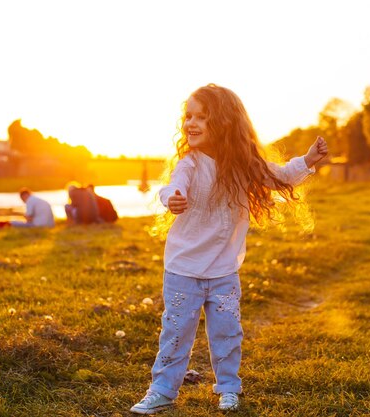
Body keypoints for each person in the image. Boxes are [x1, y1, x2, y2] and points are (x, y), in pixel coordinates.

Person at [130, 84, 328, 414]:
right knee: (176, 333)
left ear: (223, 122)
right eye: (188, 116)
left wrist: (307, 160)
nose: (191, 123)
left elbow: (278, 176)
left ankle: (228, 387)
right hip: (183, 269)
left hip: (223, 271)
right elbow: (172, 186)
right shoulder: (189, 163)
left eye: (202, 117)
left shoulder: (244, 163)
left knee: (227, 333)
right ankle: (162, 390)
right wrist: (172, 198)